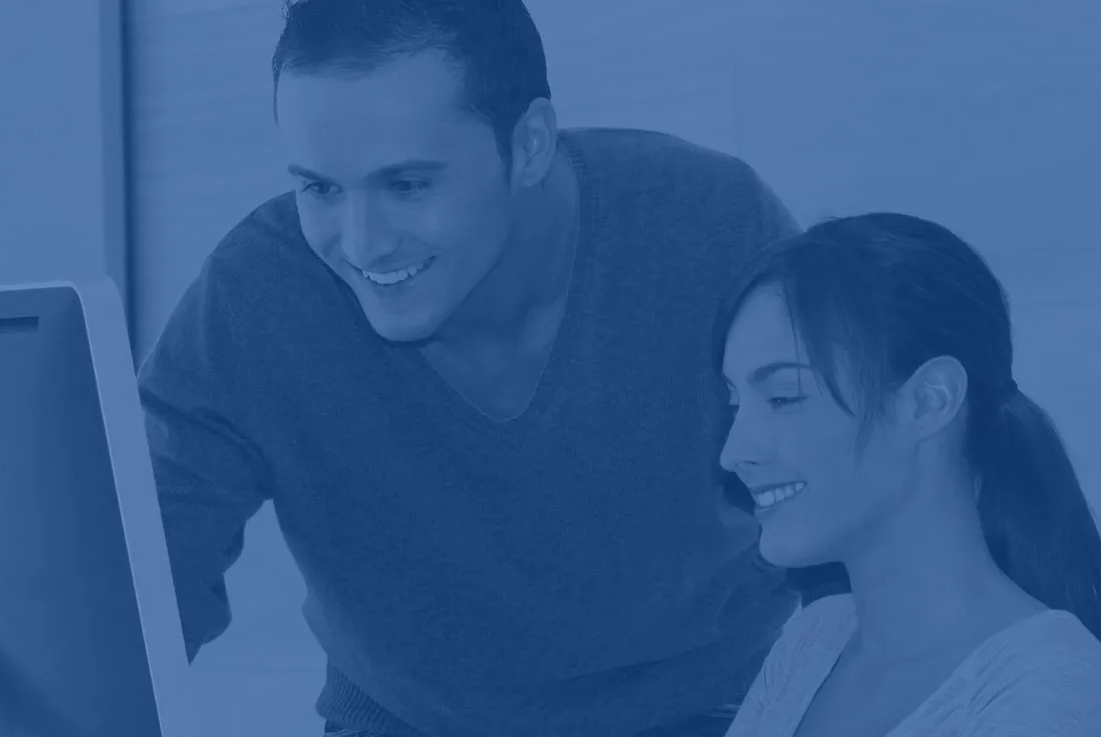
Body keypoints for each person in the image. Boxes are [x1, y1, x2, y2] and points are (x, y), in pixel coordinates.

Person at [138, 1, 807, 734]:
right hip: (405, 720)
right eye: (321, 188)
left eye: (407, 185)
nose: (361, 244)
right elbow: (139, 578)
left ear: (529, 145)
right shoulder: (256, 295)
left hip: (717, 707)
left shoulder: (710, 226)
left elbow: (854, 494)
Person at [715, 213, 1101, 735]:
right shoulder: (812, 641)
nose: (733, 453)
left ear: (928, 401)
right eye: (735, 404)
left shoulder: (1047, 696)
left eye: (783, 397)